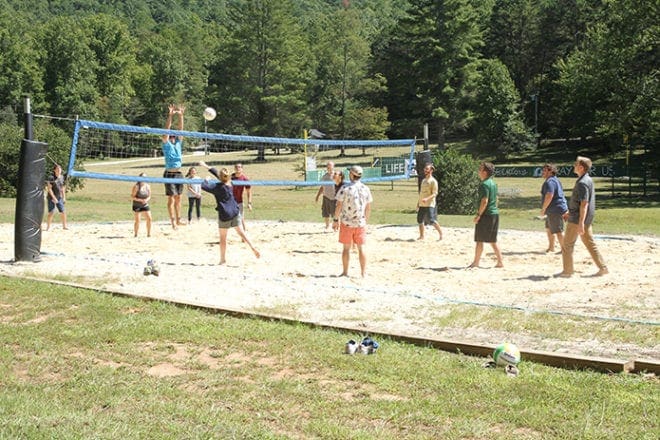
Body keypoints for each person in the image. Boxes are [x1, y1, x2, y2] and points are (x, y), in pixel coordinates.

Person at [198, 161, 260, 264]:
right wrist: (206, 166)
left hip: (224, 214)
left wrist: (206, 179)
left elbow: (203, 186)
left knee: (223, 238)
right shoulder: (230, 183)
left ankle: (222, 259)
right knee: (242, 233)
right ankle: (253, 247)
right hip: (235, 211)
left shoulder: (216, 187)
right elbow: (219, 174)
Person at [558, 156, 608, 277]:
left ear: (581, 167)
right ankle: (603, 268)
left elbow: (584, 204)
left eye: (576, 164)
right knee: (590, 244)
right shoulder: (588, 179)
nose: (574, 166)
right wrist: (571, 212)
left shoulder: (582, 183)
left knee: (567, 245)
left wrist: (580, 223)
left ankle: (568, 271)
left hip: (577, 220)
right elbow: (581, 203)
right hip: (583, 218)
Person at [333, 165, 373, 277]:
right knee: (361, 249)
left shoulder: (345, 188)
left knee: (346, 249)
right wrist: (366, 221)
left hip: (347, 223)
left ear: (351, 175)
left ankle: (345, 272)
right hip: (360, 223)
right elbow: (368, 208)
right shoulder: (366, 188)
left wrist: (335, 219)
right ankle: (363, 273)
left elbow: (339, 206)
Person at [469, 162, 503, 268]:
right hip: (494, 214)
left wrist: (479, 215)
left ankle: (476, 262)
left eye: (480, 169)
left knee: (479, 239)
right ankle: (500, 261)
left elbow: (484, 201)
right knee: (492, 240)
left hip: (486, 214)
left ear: (485, 172)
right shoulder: (493, 183)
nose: (478, 171)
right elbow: (496, 199)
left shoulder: (484, 184)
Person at [161, 104, 186, 229]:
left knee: (178, 199)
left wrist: (181, 116)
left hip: (179, 173)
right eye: (171, 135)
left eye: (173, 135)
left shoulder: (178, 143)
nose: (172, 136)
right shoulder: (166, 143)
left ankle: (178, 220)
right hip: (169, 174)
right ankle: (172, 222)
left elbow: (181, 130)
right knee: (171, 200)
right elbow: (166, 129)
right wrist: (170, 116)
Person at [540, 163, 568, 252]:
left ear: (551, 171)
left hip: (555, 209)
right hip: (554, 209)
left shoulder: (550, 182)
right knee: (549, 228)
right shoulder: (555, 180)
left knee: (558, 230)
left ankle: (565, 250)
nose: (542, 172)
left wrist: (543, 209)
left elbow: (549, 195)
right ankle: (551, 247)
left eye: (544, 170)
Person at [416, 163, 443, 240]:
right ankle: (422, 236)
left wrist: (427, 199)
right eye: (425, 169)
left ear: (431, 170)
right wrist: (418, 203)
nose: (425, 170)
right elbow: (421, 193)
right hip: (422, 204)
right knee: (419, 220)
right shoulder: (424, 180)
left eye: (427, 169)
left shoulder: (433, 181)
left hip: (430, 204)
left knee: (431, 220)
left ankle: (441, 234)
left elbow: (435, 193)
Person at [45, 164, 68, 231]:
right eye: (57, 169)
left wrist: (64, 197)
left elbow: (62, 188)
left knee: (63, 212)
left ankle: (64, 226)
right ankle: (48, 227)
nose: (59, 170)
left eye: (60, 169)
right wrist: (54, 198)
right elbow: (49, 189)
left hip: (59, 197)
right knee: (51, 212)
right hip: (51, 197)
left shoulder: (62, 177)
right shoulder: (51, 178)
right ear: (54, 170)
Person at [231, 163, 252, 231]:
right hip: (229, 201)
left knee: (240, 217)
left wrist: (249, 203)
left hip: (239, 201)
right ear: (234, 168)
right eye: (236, 167)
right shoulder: (230, 177)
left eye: (239, 167)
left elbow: (249, 192)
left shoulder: (245, 179)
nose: (238, 168)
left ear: (242, 169)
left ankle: (244, 230)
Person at [315, 162, 335, 230]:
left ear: (333, 167)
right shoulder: (325, 176)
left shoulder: (336, 175)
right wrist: (318, 196)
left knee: (335, 213)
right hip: (326, 197)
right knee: (325, 213)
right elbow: (322, 187)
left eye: (330, 166)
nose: (328, 168)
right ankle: (327, 226)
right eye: (327, 166)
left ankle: (336, 226)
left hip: (334, 197)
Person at [131, 173, 152, 237]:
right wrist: (140, 200)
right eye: (143, 177)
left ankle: (148, 234)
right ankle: (136, 234)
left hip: (145, 204)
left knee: (149, 218)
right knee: (138, 220)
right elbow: (132, 196)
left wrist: (146, 200)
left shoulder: (148, 186)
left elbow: (149, 196)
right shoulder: (136, 186)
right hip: (137, 204)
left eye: (145, 177)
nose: (144, 179)